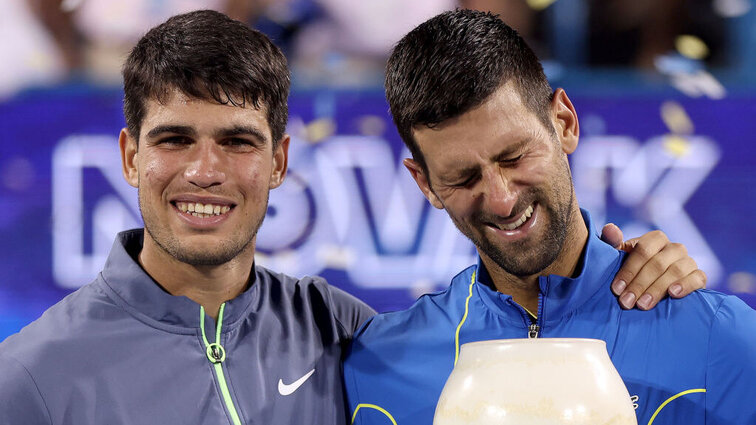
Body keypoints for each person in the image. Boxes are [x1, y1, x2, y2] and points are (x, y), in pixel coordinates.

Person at [0, 9, 706, 425]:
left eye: (238, 142)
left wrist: (630, 272)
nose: (205, 171)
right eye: (174, 139)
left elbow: (516, 333)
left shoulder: (346, 335)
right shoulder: (31, 375)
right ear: (129, 155)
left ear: (278, 162)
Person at [343, 9, 756, 425]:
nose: (502, 200)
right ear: (425, 183)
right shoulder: (375, 370)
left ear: (564, 123)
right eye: (464, 178)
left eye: (515, 156)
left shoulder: (721, 344)